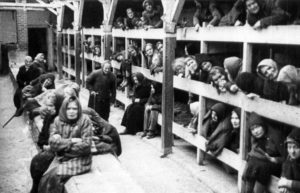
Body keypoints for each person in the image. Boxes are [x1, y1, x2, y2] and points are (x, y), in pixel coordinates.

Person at [38, 96, 93, 193]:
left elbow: (86, 146)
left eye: (74, 109)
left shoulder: (84, 120)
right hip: (62, 157)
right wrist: (71, 141)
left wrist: (61, 146)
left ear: (78, 109)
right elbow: (52, 142)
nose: (71, 111)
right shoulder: (58, 120)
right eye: (68, 108)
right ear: (64, 109)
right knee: (42, 176)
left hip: (80, 160)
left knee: (53, 177)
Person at [242, 112, 285, 193]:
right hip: (263, 164)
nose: (255, 131)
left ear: (263, 125)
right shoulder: (255, 138)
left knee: (262, 167)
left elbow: (287, 158)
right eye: (252, 129)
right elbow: (253, 153)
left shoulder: (275, 135)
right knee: (251, 162)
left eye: (257, 127)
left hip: (278, 165)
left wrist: (274, 159)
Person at [278, 128, 300, 193]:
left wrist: (287, 183)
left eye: (296, 147)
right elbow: (284, 171)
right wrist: (283, 181)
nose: (292, 151)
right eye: (289, 147)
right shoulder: (289, 159)